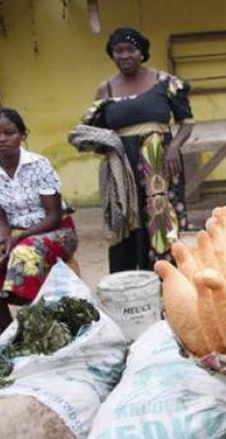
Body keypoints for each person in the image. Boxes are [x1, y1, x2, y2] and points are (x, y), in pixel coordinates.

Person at [83, 27, 194, 272]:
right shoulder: (106, 90)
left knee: (160, 221)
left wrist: (174, 145)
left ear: (142, 53)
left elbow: (187, 123)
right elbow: (96, 132)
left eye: (130, 50)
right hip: (122, 168)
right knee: (126, 222)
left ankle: (168, 282)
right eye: (118, 51)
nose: (124, 56)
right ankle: (131, 287)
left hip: (159, 165)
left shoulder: (165, 83)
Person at [0, 108, 78, 333]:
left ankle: (41, 329)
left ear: (23, 135)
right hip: (15, 237)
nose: (2, 139)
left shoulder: (38, 164)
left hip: (56, 232)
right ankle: (9, 332)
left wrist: (18, 239)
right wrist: (3, 243)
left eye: (9, 133)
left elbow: (54, 216)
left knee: (25, 254)